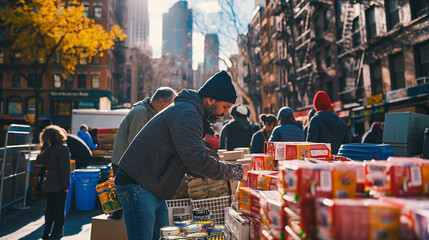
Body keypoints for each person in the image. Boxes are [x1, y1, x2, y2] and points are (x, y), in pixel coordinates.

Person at [115, 70, 251, 239]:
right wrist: (238, 171)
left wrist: (219, 170)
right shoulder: (187, 113)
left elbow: (190, 162)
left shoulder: (190, 111)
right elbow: (196, 161)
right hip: (138, 186)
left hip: (150, 186)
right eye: (225, 107)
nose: (225, 113)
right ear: (211, 99)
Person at [111, 87, 177, 174]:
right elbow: (136, 144)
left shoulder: (150, 112)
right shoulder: (141, 112)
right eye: (170, 105)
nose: (170, 109)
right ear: (160, 102)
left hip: (130, 165)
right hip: (124, 167)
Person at [35, 125, 70, 240]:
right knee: (59, 209)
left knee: (49, 209)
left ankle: (46, 233)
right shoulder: (63, 148)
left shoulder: (49, 149)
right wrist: (66, 185)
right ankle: (57, 233)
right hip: (59, 183)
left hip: (48, 182)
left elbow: (40, 160)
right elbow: (65, 170)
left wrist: (45, 146)